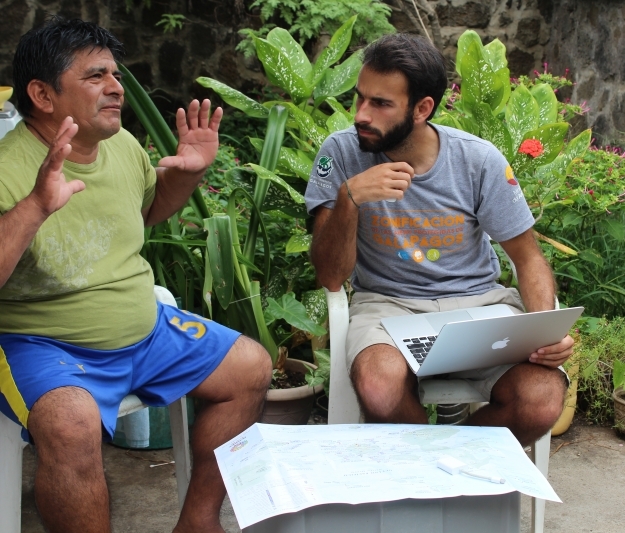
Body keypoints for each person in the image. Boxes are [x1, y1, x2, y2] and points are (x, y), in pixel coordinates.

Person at [0, 17, 272, 533]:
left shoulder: (120, 144)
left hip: (144, 331)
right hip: (41, 342)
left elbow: (145, 211)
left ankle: (196, 521)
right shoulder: (7, 168)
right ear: (42, 94)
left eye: (116, 75)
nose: (116, 87)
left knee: (249, 368)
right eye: (95, 76)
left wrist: (187, 174)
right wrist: (35, 206)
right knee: (70, 425)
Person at [305, 33, 574, 447]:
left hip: (476, 304)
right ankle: (446, 483)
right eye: (360, 98)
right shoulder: (341, 154)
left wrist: (545, 333)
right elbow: (330, 276)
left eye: (380, 103)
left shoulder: (477, 160)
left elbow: (529, 258)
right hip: (387, 305)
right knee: (379, 385)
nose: (360, 114)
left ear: (422, 108)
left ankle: (437, 470)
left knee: (540, 399)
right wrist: (350, 199)